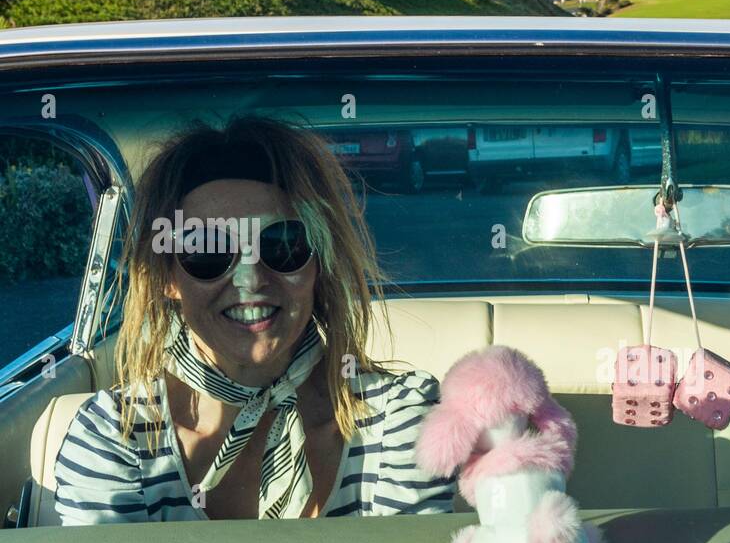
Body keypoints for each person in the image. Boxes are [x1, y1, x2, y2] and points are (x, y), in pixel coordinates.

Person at [55, 116, 454, 522]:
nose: (250, 279)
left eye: (283, 244)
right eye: (206, 249)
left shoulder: (401, 421)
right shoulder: (112, 439)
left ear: (321, 264)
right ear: (166, 278)